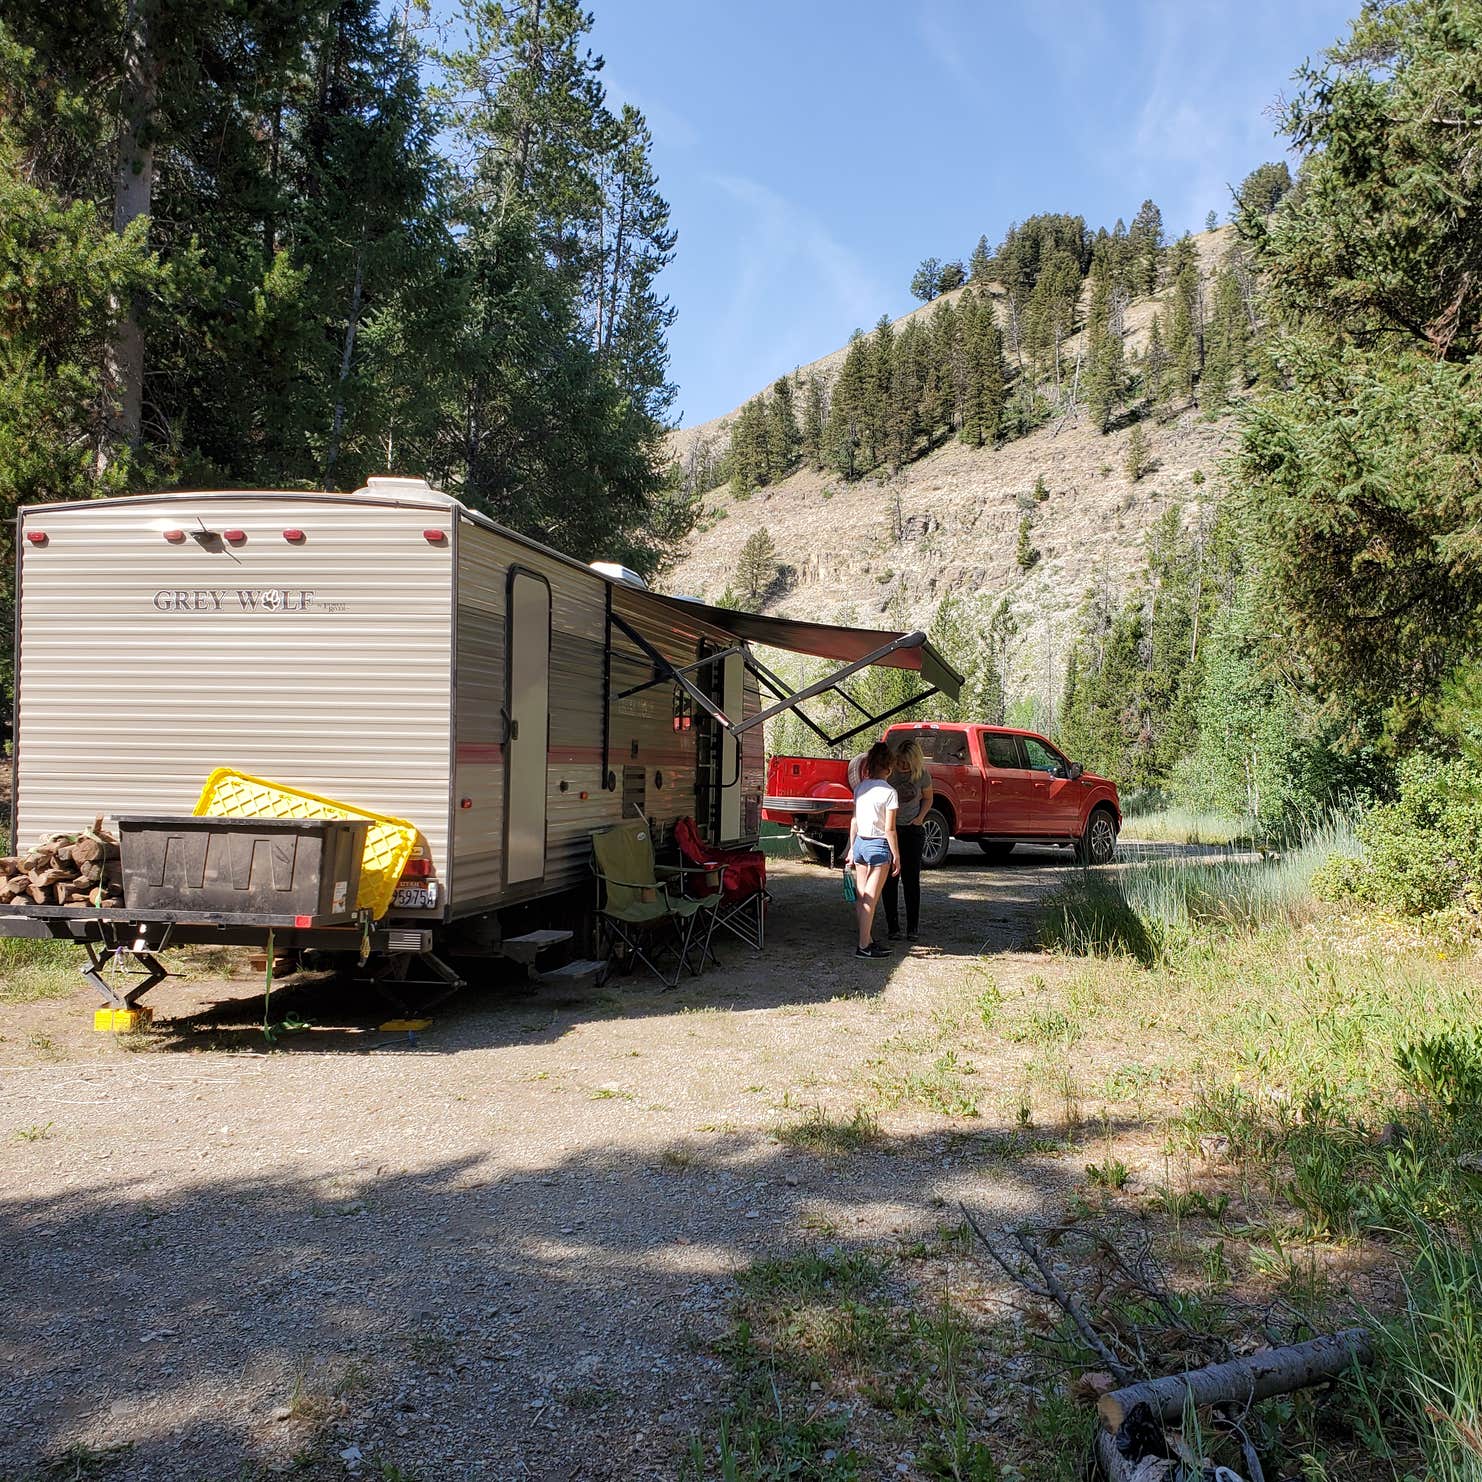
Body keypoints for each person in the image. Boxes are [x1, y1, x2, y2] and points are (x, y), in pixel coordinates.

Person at [845, 741, 899, 958]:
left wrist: (851, 848)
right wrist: (897, 855)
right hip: (878, 845)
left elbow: (854, 821)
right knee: (870, 898)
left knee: (861, 896)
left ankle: (866, 939)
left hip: (860, 843)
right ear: (889, 767)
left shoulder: (860, 788)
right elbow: (890, 829)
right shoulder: (890, 792)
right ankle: (863, 946)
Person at [884, 738, 933, 941]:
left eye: (906, 763)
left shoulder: (922, 775)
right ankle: (893, 927)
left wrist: (920, 817)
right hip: (891, 829)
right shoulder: (889, 773)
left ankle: (912, 928)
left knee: (911, 880)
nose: (902, 766)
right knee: (890, 880)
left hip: (913, 830)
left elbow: (928, 798)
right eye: (900, 761)